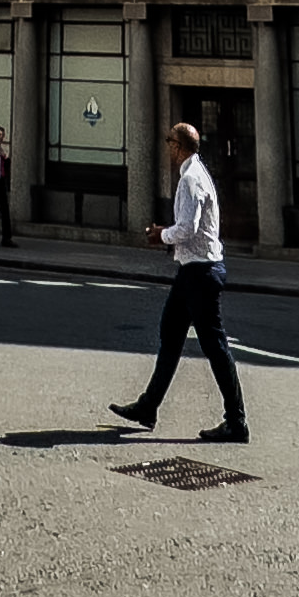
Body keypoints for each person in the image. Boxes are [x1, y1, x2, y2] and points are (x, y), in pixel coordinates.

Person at [108, 119, 247, 446]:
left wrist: (161, 235)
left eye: (170, 141)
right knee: (171, 334)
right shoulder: (198, 173)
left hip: (200, 272)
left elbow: (187, 228)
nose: (168, 147)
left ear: (178, 146)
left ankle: (236, 421)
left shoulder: (190, 179)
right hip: (193, 271)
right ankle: (148, 407)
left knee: (215, 346)